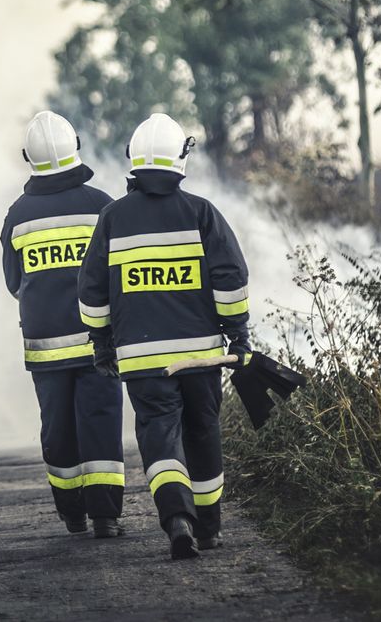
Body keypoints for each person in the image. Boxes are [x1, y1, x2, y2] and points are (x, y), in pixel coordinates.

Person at [77, 113, 251, 560]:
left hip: (142, 360)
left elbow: (92, 291)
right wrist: (238, 334)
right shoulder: (201, 213)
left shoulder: (112, 218)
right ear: (180, 159)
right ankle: (210, 529)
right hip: (201, 357)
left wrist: (101, 343)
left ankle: (177, 519)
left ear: (133, 160)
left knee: (160, 437)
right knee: (202, 432)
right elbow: (230, 279)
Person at [0, 111, 125, 538]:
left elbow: (13, 282)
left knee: (58, 428)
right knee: (101, 421)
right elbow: (121, 275)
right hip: (99, 344)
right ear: (77, 146)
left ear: (26, 157)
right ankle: (106, 518)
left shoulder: (17, 215)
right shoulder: (101, 206)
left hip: (46, 348)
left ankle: (72, 514)